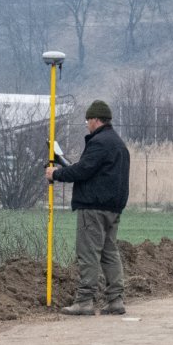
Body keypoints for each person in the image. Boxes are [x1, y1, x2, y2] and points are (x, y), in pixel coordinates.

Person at [44, 99, 130, 316]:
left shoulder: (99, 143)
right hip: (113, 208)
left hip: (93, 207)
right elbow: (90, 169)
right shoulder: (118, 143)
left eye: (87, 120)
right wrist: (66, 166)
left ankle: (84, 301)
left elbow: (83, 171)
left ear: (95, 120)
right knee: (109, 252)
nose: (87, 125)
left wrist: (56, 174)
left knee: (88, 253)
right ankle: (116, 300)